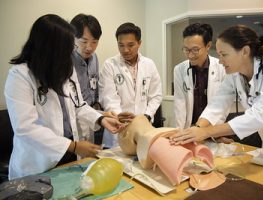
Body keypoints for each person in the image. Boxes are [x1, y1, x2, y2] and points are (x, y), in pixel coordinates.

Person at [4, 14, 123, 180]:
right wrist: (73, 146)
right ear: (47, 47)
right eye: (66, 48)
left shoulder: (64, 69)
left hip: (68, 154)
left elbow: (78, 105)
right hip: (38, 161)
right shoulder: (20, 76)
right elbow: (25, 128)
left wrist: (101, 119)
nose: (70, 53)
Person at [170, 24, 263, 165]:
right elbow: (217, 105)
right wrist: (198, 129)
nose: (220, 61)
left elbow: (261, 114)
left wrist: (207, 132)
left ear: (244, 51)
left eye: (224, 55)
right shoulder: (235, 75)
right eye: (219, 55)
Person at [99, 22, 162, 148]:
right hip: (118, 129)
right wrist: (119, 116)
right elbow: (108, 97)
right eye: (121, 45)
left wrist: (146, 116)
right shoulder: (110, 65)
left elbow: (156, 96)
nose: (125, 50)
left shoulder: (149, 64)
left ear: (139, 43)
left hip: (143, 128)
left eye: (130, 45)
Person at [70, 14, 114, 144]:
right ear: (72, 37)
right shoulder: (66, 60)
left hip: (91, 118)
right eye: (84, 41)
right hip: (73, 121)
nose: (89, 47)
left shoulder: (94, 58)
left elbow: (94, 88)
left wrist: (102, 111)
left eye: (94, 42)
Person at [174, 23, 226, 129]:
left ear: (208, 46)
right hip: (190, 128)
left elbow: (222, 104)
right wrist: (179, 131)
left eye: (195, 50)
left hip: (213, 128)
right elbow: (180, 103)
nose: (190, 55)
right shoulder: (179, 69)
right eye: (186, 49)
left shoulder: (222, 68)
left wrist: (214, 132)